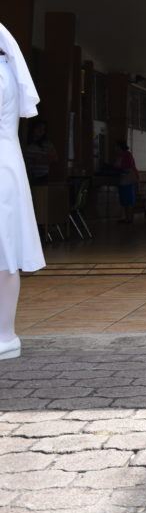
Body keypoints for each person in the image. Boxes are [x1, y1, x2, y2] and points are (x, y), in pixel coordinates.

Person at [0, 21, 46, 360]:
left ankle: (5, 335)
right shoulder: (7, 72)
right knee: (6, 252)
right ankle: (5, 334)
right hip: (7, 164)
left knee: (5, 253)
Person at [23, 119, 56, 186]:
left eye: (43, 129)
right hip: (27, 175)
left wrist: (41, 160)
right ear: (33, 129)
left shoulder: (47, 144)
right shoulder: (25, 142)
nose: (41, 131)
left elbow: (55, 158)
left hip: (43, 177)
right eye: (39, 128)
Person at [114, 140, 140, 224]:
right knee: (125, 200)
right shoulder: (120, 155)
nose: (115, 148)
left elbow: (127, 166)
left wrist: (117, 167)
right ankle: (126, 218)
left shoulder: (127, 154)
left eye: (116, 146)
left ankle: (130, 219)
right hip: (123, 179)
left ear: (120, 147)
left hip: (128, 179)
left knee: (129, 200)